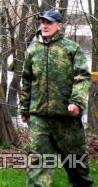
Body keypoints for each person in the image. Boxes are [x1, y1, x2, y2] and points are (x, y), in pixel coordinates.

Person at [19, 10, 93, 187]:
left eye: (49, 22)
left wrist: (77, 102)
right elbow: (27, 80)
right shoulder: (33, 50)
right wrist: (24, 109)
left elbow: (82, 76)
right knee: (39, 164)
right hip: (39, 117)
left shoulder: (71, 48)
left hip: (66, 118)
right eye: (42, 22)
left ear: (59, 26)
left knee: (76, 166)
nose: (44, 25)